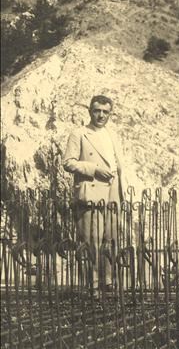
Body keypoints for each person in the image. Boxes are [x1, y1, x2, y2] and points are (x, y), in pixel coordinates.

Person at [64, 95, 128, 291]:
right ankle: (92, 285)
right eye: (97, 111)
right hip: (92, 190)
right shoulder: (80, 134)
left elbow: (119, 165)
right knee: (92, 239)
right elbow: (68, 162)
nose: (101, 115)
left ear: (110, 114)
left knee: (111, 238)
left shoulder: (113, 135)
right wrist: (94, 169)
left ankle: (108, 281)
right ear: (90, 111)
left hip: (113, 190)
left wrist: (123, 190)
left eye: (105, 112)